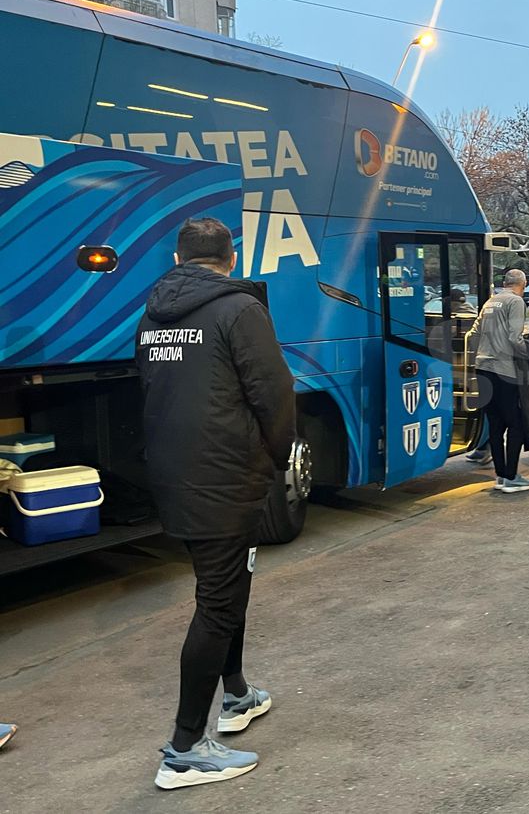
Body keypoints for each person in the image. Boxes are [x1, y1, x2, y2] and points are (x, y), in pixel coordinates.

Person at [136, 218, 296, 789]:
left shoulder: (151, 315)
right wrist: (277, 456)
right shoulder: (240, 309)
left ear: (178, 259)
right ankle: (183, 751)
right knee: (218, 604)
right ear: (231, 259)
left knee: (228, 587)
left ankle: (237, 694)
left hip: (175, 474)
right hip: (226, 478)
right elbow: (274, 393)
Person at [466, 269, 529, 494]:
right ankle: (511, 476)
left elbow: (473, 334)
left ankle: (500, 476)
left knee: (495, 424)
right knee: (516, 424)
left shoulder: (490, 302)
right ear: (523, 284)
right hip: (504, 370)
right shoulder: (515, 302)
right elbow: (515, 338)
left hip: (482, 368)